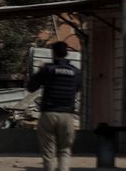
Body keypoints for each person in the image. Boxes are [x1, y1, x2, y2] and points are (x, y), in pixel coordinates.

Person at [28, 41, 82, 171]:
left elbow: (31, 87)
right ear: (67, 53)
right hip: (67, 115)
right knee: (64, 150)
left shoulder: (48, 69)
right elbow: (78, 88)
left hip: (49, 114)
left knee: (48, 153)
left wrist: (40, 71)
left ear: (53, 53)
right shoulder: (75, 72)